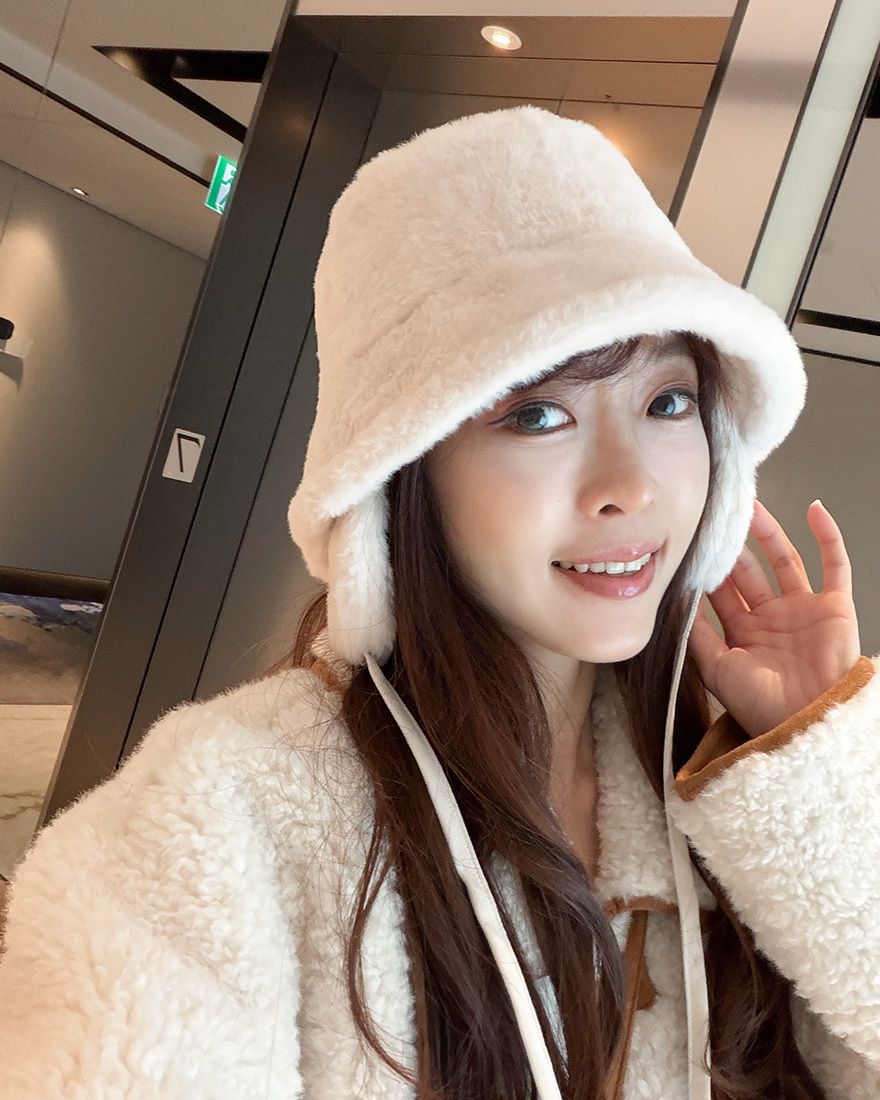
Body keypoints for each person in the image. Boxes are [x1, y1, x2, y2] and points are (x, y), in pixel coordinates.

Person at [0, 105, 876, 1100]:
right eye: (537, 414)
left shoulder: (723, 784)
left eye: (666, 402)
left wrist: (816, 762)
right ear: (403, 474)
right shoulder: (215, 820)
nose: (629, 486)